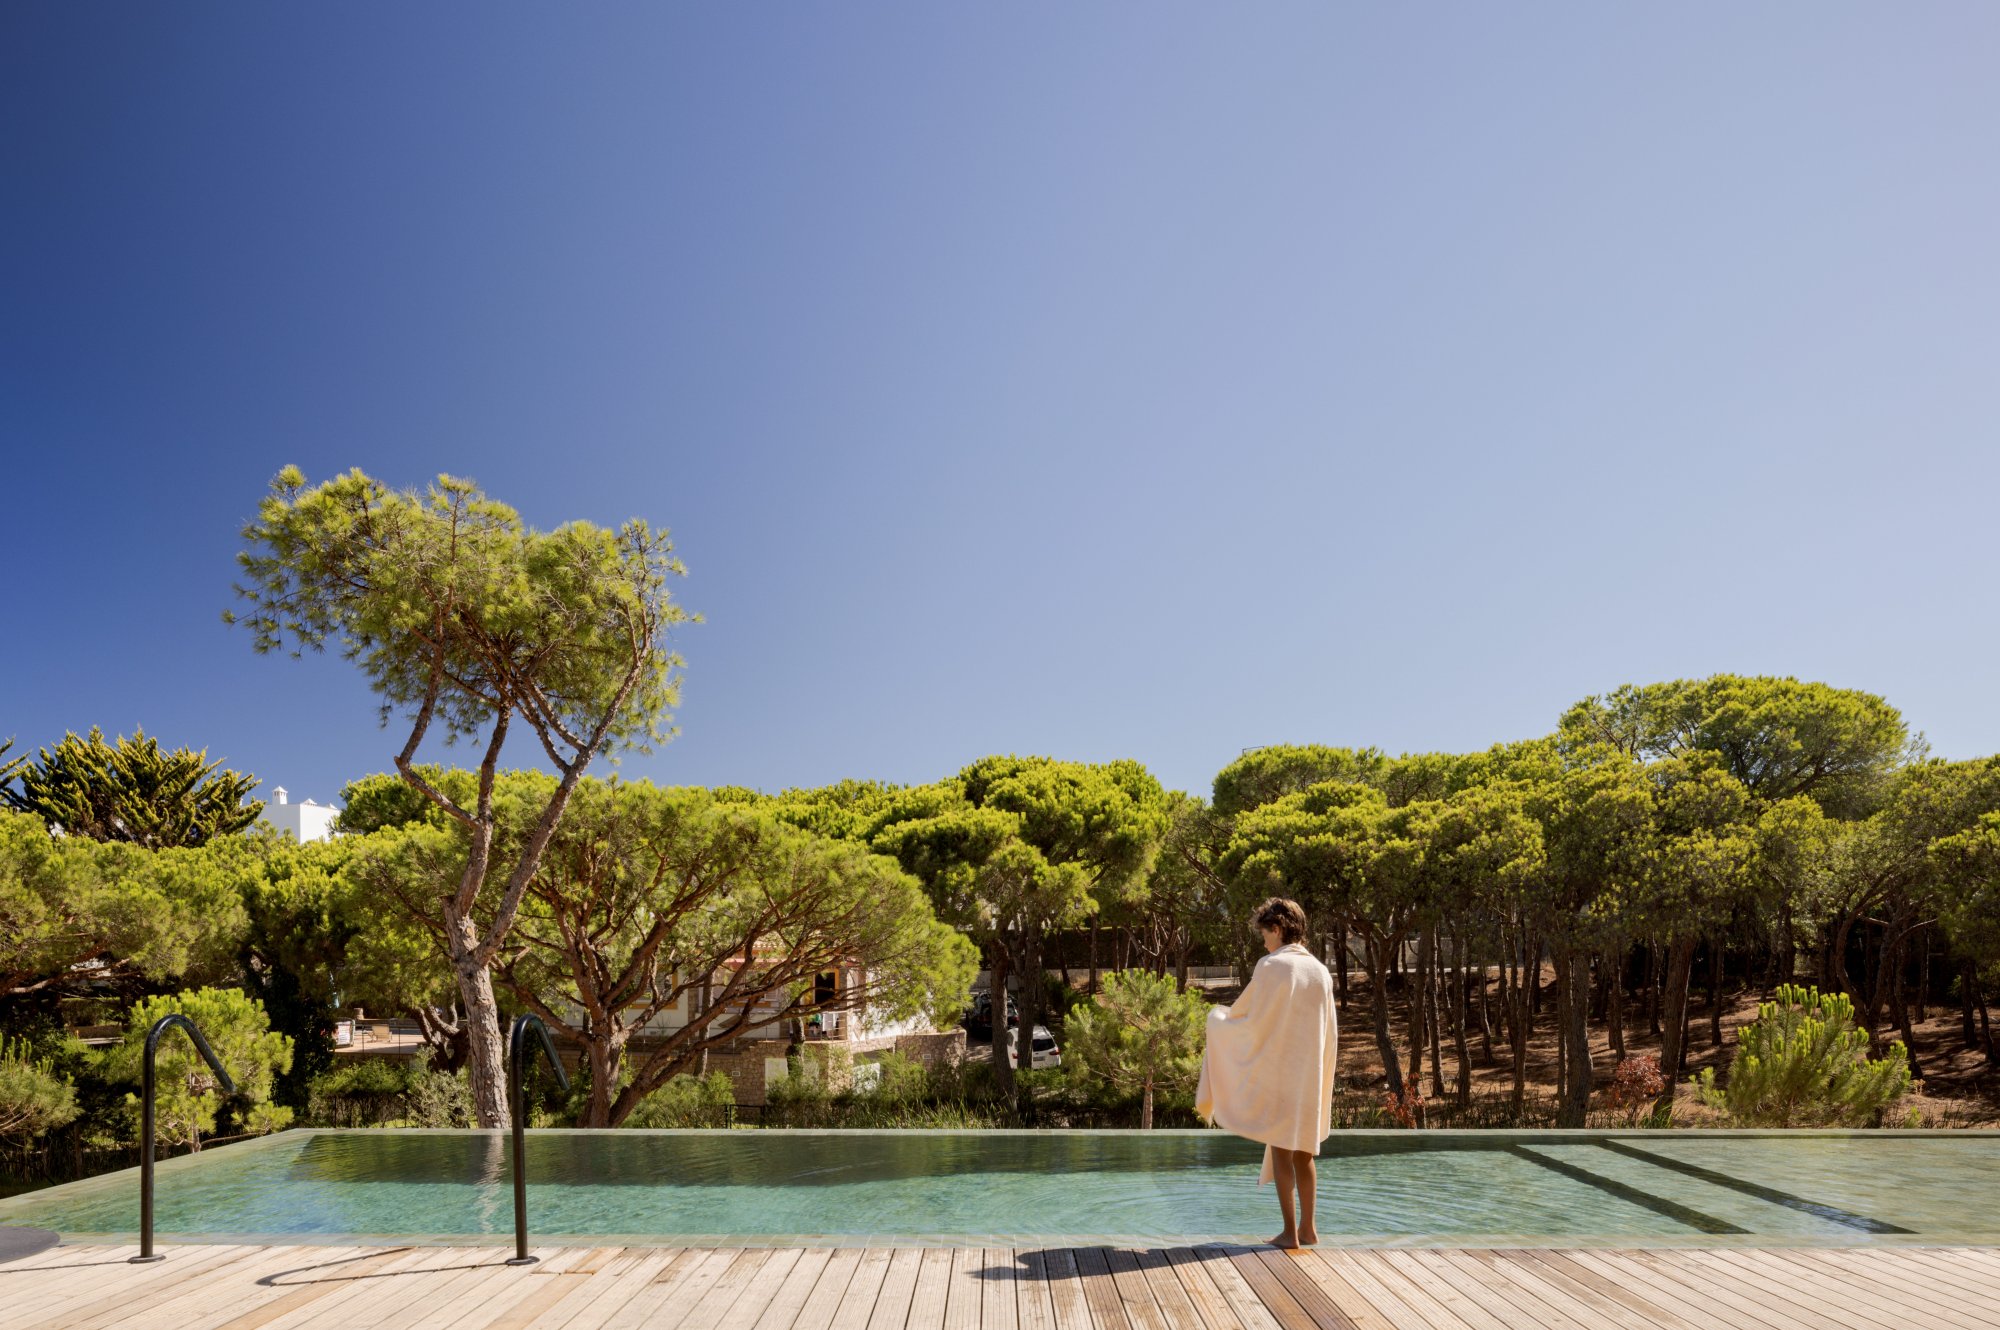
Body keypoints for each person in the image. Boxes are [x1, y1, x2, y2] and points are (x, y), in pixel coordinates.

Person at [1195, 896, 1339, 1249]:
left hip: (1281, 1075)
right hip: (1309, 1076)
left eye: (1264, 934)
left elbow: (1248, 1019)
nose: (1263, 942)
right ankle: (1309, 1229)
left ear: (1277, 928)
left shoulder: (1272, 966)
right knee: (1304, 1152)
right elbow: (1330, 1032)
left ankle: (1289, 1233)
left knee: (1280, 1149)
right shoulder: (1320, 971)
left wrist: (1217, 1020)